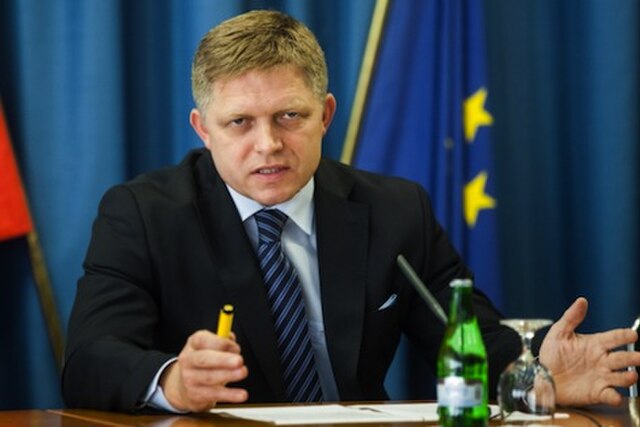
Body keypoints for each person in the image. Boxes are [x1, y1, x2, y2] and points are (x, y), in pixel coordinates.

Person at [61, 10, 640, 413]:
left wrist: (536, 374)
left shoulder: (395, 210)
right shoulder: (142, 215)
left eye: (289, 116)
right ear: (203, 130)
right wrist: (172, 382)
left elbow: (469, 339)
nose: (268, 144)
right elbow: (89, 361)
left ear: (326, 114)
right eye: (239, 123)